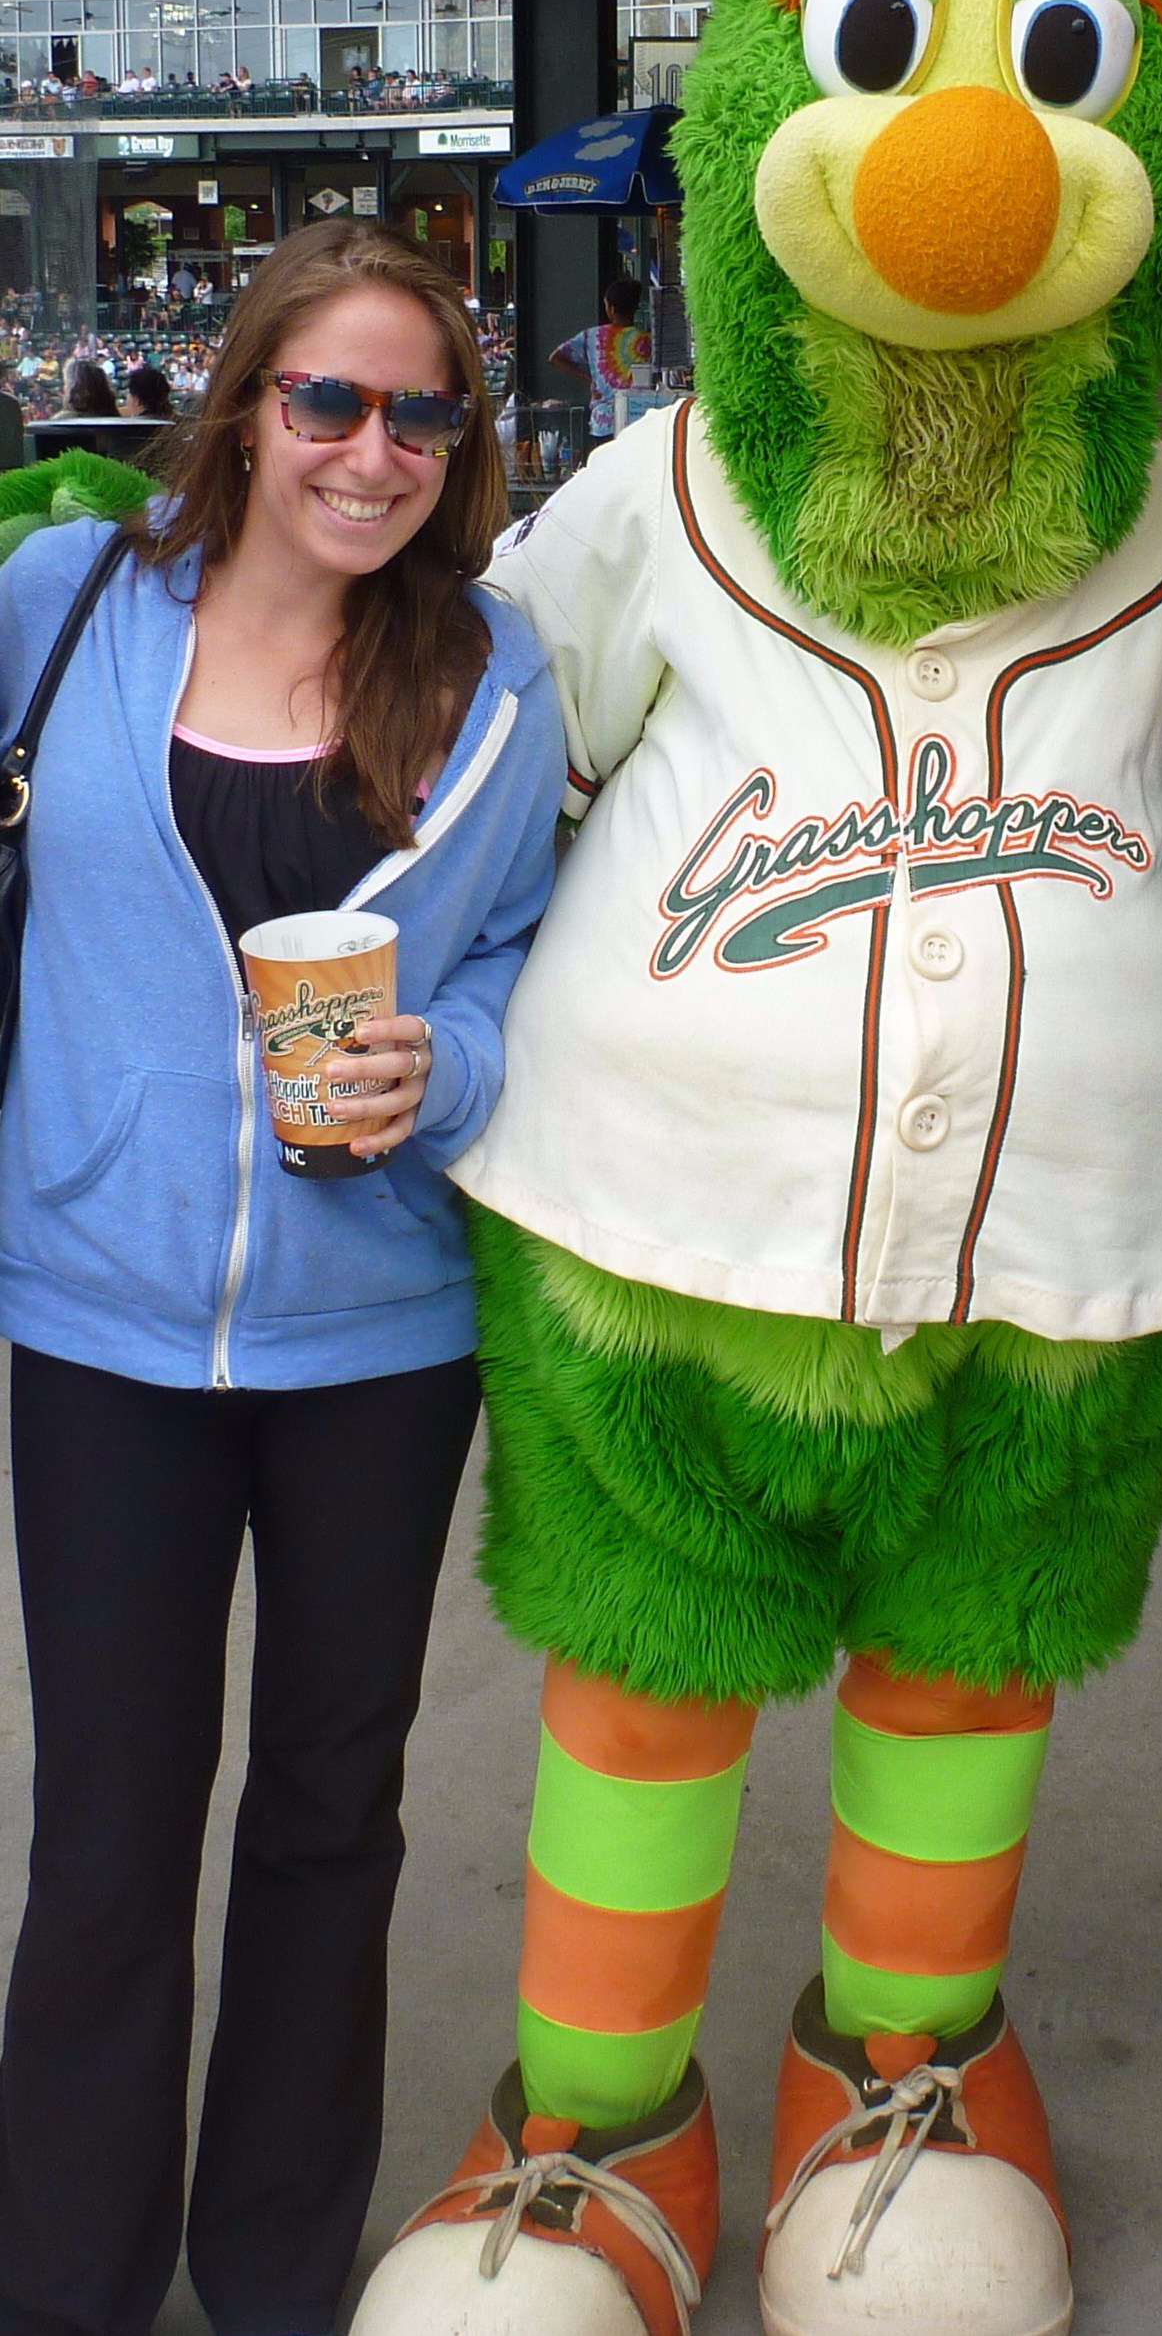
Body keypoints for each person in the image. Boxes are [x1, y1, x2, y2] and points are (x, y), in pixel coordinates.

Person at [0, 219, 565, 2336]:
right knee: (110, 1831)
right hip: (99, 1311)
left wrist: (453, 1063)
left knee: (335, 1810)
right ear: (245, 407)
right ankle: (63, 2275)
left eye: (422, 412)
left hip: (379, 1336)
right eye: (330, 397)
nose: (373, 449)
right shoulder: (65, 603)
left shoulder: (494, 670)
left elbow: (518, 951)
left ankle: (271, 2269)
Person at [546, 273, 649, 442]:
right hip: (637, 420)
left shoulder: (593, 337)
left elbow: (555, 358)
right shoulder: (645, 341)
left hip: (603, 423)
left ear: (612, 309)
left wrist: (590, 378)